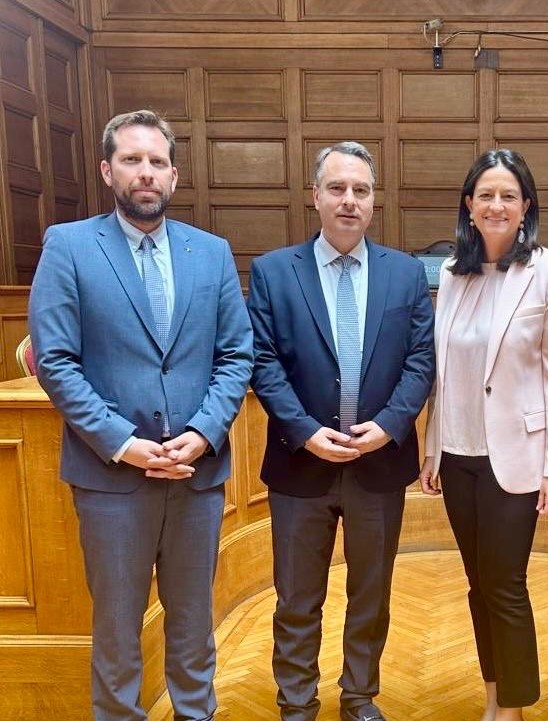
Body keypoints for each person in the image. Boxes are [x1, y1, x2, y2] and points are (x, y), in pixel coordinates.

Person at [28, 109, 253, 721]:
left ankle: (195, 713)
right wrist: (122, 442)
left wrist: (204, 433)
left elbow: (236, 354)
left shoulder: (211, 253)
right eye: (132, 160)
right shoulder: (69, 246)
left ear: (174, 175)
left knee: (194, 624)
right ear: (108, 171)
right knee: (118, 627)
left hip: (195, 475)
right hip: (112, 480)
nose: (145, 172)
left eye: (157, 161)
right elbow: (55, 361)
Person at [247, 141, 435, 721]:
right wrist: (305, 431)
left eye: (360, 190)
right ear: (316, 196)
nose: (349, 200)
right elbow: (263, 362)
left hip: (378, 464)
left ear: (374, 200)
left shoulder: (405, 274)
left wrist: (390, 425)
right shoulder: (274, 272)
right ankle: (296, 702)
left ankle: (359, 696)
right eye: (337, 188)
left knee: (370, 594)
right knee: (297, 597)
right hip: (300, 463)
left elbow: (421, 362)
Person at [417, 149, 548, 721]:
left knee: (505, 584)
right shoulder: (451, 273)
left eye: (509, 195)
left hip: (516, 457)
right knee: (477, 584)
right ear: (469, 205)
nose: (496, 205)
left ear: (526, 205)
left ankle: (513, 707)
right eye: (485, 194)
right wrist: (432, 448)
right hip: (457, 453)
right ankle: (492, 695)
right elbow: (443, 373)